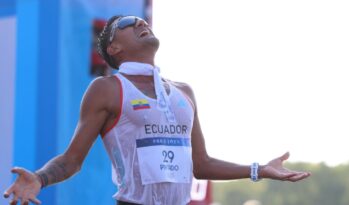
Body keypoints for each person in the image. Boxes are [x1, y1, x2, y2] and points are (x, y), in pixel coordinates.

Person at [3, 15, 311, 205]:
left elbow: (200, 164)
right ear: (114, 49)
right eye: (126, 23)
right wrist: (40, 179)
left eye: (142, 20)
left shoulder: (184, 91)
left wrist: (259, 170)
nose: (140, 22)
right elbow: (72, 160)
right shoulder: (107, 89)